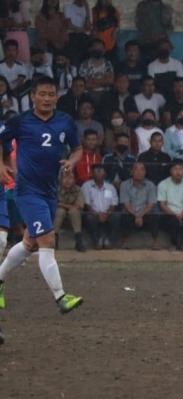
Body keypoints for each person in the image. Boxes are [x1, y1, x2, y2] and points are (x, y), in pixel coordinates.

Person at [0, 76, 84, 315]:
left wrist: (72, 161)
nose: (47, 98)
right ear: (33, 97)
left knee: (29, 243)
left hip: (50, 190)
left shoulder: (65, 122)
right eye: (42, 94)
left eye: (51, 94)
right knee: (48, 241)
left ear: (57, 97)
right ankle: (61, 297)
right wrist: (1, 165)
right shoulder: (20, 121)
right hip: (27, 191)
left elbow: (77, 148)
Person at [119, 161, 159, 249]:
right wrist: (136, 215)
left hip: (145, 213)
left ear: (145, 172)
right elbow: (126, 204)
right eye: (136, 169)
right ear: (131, 172)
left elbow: (151, 204)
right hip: (130, 212)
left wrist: (140, 215)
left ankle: (155, 242)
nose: (139, 172)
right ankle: (124, 242)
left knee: (155, 216)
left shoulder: (150, 185)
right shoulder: (124, 185)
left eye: (142, 170)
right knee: (123, 216)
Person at [157, 159, 183, 250]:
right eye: (175, 169)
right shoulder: (163, 184)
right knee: (173, 221)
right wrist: (175, 215)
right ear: (170, 170)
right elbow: (162, 204)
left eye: (181, 169)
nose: (178, 172)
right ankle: (174, 244)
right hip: (169, 213)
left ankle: (182, 244)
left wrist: (182, 214)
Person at [81, 164, 120, 249]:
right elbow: (87, 205)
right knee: (89, 217)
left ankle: (109, 240)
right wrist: (97, 215)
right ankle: (97, 240)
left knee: (117, 216)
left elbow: (113, 204)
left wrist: (106, 214)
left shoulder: (110, 187)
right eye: (96, 171)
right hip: (93, 213)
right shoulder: (86, 186)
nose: (99, 173)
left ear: (105, 174)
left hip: (107, 213)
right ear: (92, 174)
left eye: (101, 171)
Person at [53, 171, 86, 252]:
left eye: (70, 178)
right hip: (58, 213)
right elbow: (53, 203)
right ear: (60, 179)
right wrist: (66, 206)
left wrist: (62, 204)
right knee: (60, 211)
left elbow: (79, 206)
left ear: (74, 180)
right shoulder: (55, 189)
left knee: (74, 211)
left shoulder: (78, 190)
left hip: (74, 214)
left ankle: (79, 241)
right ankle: (54, 240)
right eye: (65, 178)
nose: (67, 180)